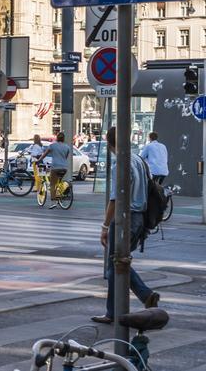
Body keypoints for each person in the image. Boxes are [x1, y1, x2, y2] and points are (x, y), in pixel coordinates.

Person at [93, 126, 159, 323]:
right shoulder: (139, 160)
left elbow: (115, 199)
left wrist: (105, 226)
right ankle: (116, 309)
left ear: (108, 142)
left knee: (117, 263)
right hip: (140, 218)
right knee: (118, 262)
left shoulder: (119, 164)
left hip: (124, 219)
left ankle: (143, 295)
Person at [42, 132, 72, 207]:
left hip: (55, 167)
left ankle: (53, 202)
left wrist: (38, 161)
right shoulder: (67, 147)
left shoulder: (52, 146)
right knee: (59, 182)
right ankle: (60, 195)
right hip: (64, 167)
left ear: (57, 138)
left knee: (53, 184)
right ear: (64, 139)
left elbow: (44, 155)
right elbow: (65, 157)